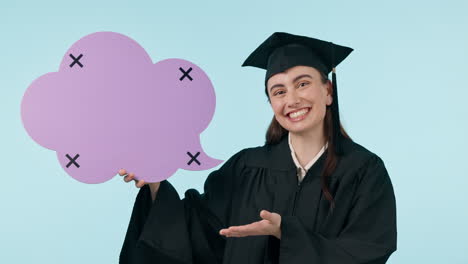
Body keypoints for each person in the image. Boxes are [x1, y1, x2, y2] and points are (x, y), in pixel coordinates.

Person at [118, 32, 397, 264]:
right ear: (272, 103)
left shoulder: (364, 171)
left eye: (303, 84)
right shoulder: (245, 168)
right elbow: (198, 230)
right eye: (279, 91)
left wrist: (287, 234)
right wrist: (155, 186)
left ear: (327, 92)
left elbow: (367, 251)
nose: (292, 99)